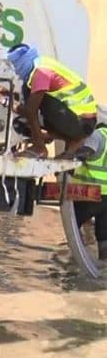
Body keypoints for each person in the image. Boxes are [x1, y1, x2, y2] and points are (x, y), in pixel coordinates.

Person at [6, 44, 98, 158]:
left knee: (31, 100)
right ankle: (72, 140)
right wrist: (7, 95)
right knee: (29, 98)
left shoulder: (41, 72)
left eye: (15, 65)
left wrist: (4, 100)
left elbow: (30, 111)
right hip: (83, 121)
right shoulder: (41, 62)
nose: (15, 70)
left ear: (21, 61)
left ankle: (39, 148)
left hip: (81, 122)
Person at [70, 108, 107, 259]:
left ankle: (73, 262)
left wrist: (66, 162)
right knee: (104, 236)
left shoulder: (97, 135)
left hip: (90, 193)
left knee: (72, 227)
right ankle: (103, 268)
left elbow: (84, 153)